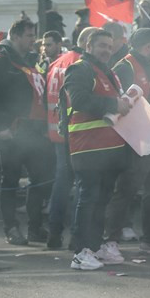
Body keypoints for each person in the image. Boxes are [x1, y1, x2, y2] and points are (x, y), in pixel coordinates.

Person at [62, 29, 133, 270]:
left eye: (109, 46)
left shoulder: (108, 72)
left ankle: (94, 246)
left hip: (108, 149)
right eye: (102, 45)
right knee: (88, 199)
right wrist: (114, 103)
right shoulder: (80, 68)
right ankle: (80, 252)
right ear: (89, 46)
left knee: (101, 200)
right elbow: (79, 99)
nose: (106, 50)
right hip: (87, 147)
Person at [105, 28, 150, 253]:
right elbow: (116, 101)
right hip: (136, 140)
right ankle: (110, 241)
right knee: (126, 190)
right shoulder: (125, 67)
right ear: (149, 45)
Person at [0, 19, 54, 245]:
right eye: (28, 36)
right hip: (13, 132)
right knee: (10, 181)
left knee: (41, 179)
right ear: (15, 36)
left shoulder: (30, 61)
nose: (33, 40)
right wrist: (1, 128)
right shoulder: (1, 61)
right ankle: (11, 228)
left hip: (35, 131)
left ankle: (35, 227)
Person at [44, 27, 97, 250]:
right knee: (82, 185)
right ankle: (77, 235)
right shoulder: (80, 65)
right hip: (76, 132)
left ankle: (54, 232)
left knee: (61, 183)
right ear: (86, 42)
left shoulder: (57, 62)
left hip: (56, 131)